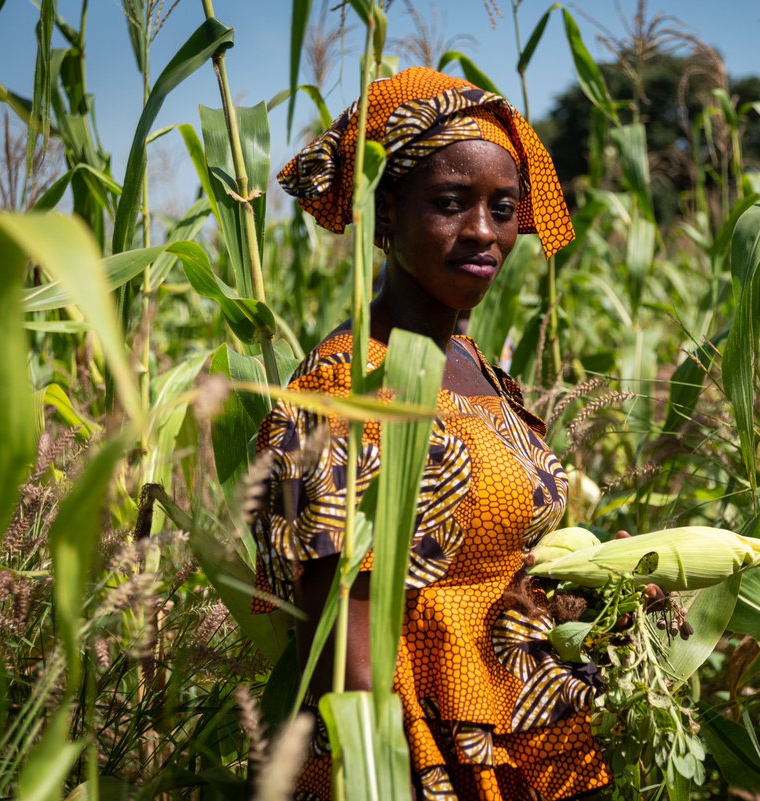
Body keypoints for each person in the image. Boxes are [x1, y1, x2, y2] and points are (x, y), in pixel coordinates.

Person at [249, 67, 611, 801]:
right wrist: (383, 774)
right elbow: (339, 638)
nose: (483, 231)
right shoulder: (348, 386)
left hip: (524, 727)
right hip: (420, 756)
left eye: (502, 207)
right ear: (387, 212)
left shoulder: (476, 363)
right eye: (450, 203)